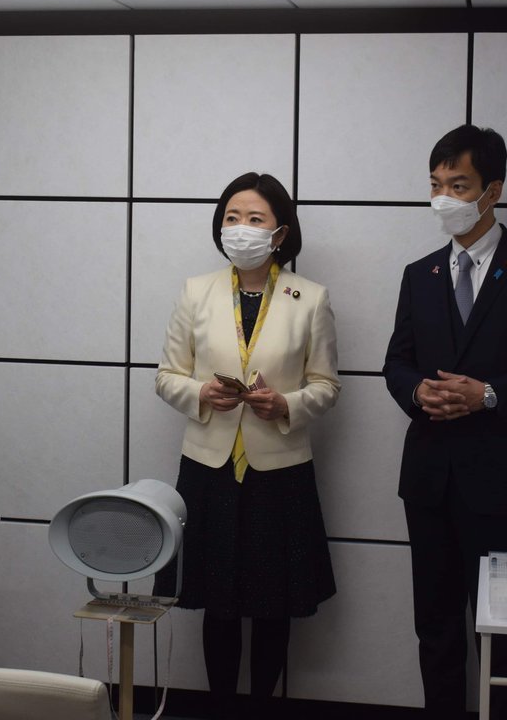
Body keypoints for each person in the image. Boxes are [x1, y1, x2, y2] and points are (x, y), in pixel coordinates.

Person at [383, 125, 507, 720]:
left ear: (492, 191)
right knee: (435, 625)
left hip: (499, 479)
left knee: (504, 631)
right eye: (435, 185)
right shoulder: (420, 274)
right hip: (428, 478)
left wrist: (490, 394)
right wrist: (417, 391)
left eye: (458, 185)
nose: (443, 197)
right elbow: (396, 362)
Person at [154, 173, 340, 718]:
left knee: (272, 603)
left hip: (280, 468)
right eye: (232, 218)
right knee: (219, 602)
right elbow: (166, 376)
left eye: (255, 219)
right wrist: (201, 393)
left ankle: (261, 706)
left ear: (280, 233)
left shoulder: (311, 298)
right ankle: (220, 707)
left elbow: (327, 386)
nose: (241, 228)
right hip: (209, 466)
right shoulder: (196, 291)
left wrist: (286, 405)